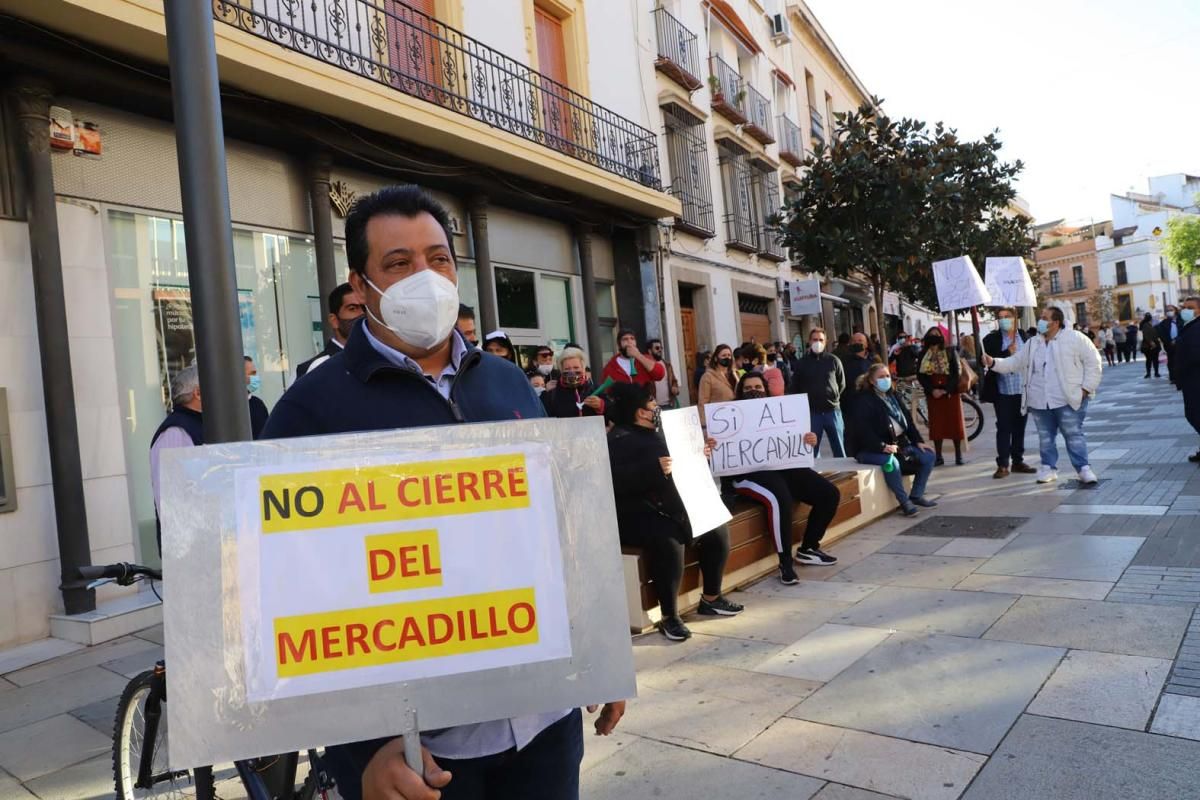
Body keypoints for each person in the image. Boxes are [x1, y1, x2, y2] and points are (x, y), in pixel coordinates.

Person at [261, 186, 622, 800]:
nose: (423, 277)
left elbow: (554, 530)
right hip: (418, 757)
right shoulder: (311, 409)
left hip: (544, 726)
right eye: (398, 264)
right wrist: (365, 751)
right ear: (360, 285)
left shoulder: (508, 382)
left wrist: (598, 650)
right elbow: (288, 596)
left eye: (438, 259)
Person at [606, 383, 743, 641]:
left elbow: (682, 463)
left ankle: (712, 598)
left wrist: (699, 453)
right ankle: (670, 617)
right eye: (652, 404)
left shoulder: (663, 431)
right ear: (640, 412)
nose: (657, 407)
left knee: (716, 528)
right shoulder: (619, 439)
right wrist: (653, 470)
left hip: (670, 506)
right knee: (669, 541)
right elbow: (616, 481)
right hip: (637, 513)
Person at [729, 373, 840, 583]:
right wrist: (712, 446)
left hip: (782, 466)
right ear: (740, 392)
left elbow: (797, 438)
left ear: (766, 389)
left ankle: (809, 547)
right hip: (748, 474)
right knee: (779, 497)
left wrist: (809, 439)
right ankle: (785, 563)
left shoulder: (779, 411)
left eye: (759, 387)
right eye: (748, 388)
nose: (754, 391)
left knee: (829, 493)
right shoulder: (730, 415)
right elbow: (720, 449)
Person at [983, 305, 1103, 485]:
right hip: (1040, 400)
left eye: (1045, 318)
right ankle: (1048, 468)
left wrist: (1086, 389)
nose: (1040, 321)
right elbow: (1015, 362)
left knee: (1073, 434)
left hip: (1067, 398)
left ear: (1056, 322)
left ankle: (1083, 468)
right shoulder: (1033, 343)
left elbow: (1094, 363)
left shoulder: (1076, 338)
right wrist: (993, 362)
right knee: (1045, 436)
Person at [851, 364, 937, 517]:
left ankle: (916, 495)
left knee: (929, 455)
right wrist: (882, 446)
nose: (886, 380)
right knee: (892, 464)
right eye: (881, 377)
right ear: (871, 381)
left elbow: (908, 421)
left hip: (899, 445)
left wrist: (917, 440)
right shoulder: (863, 400)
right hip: (870, 449)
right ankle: (904, 502)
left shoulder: (893, 396)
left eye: (887, 376)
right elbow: (862, 430)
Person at [149, 365, 203, 553]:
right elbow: (170, 497)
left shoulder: (199, 424)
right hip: (192, 548)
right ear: (197, 393)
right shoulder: (175, 432)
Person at [980, 308, 1037, 479]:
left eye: (1007, 317)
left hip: (1022, 390)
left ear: (1015, 318)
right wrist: (1007, 353)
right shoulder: (990, 340)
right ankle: (1003, 464)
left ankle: (1018, 461)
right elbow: (987, 362)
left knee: (1020, 427)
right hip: (1003, 391)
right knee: (1004, 427)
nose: (1004, 320)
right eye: (1000, 317)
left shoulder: (1026, 338)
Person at [789, 327, 847, 458]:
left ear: (826, 342)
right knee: (811, 451)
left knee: (839, 449)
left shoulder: (834, 360)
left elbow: (841, 384)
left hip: (833, 412)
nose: (818, 342)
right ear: (809, 341)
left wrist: (833, 397)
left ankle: (845, 476)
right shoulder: (801, 363)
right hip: (812, 413)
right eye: (815, 339)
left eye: (821, 339)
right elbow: (795, 387)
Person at [918, 328, 967, 466]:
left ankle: (958, 455)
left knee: (954, 423)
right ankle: (938, 456)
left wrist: (946, 389)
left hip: (950, 392)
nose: (934, 338)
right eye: (931, 335)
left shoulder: (950, 351)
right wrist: (932, 390)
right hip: (933, 393)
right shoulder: (923, 353)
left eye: (936, 335)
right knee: (936, 425)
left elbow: (956, 372)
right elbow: (920, 375)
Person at [296, 282, 367, 377]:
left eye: (365, 308)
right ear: (334, 321)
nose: (362, 314)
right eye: (352, 309)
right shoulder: (317, 367)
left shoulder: (380, 359)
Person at [541, 346, 605, 419]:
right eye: (567, 369)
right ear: (561, 371)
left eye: (576, 368)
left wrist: (601, 405)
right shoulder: (552, 394)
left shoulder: (596, 390)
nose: (572, 372)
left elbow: (613, 415)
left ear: (583, 369)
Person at [1175, 296, 1200, 462]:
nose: (1185, 310)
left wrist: (1180, 370)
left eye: (1190, 307)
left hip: (1195, 378)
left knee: (1194, 414)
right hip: (1191, 377)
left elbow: (1194, 354)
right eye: (1184, 307)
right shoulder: (1190, 326)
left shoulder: (1196, 328)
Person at [599, 329, 666, 390]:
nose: (629, 342)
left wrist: (638, 355)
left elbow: (659, 374)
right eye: (625, 339)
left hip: (644, 402)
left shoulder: (646, 358)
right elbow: (605, 391)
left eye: (632, 339)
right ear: (619, 345)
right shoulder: (610, 367)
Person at [697, 344, 737, 426]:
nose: (727, 358)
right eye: (724, 355)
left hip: (735, 417)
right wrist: (704, 424)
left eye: (729, 355)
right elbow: (703, 401)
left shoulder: (735, 374)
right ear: (716, 358)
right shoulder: (708, 377)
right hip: (718, 420)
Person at [646, 338, 680, 409]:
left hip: (669, 405)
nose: (660, 350)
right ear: (650, 351)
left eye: (661, 348)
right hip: (654, 407)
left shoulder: (667, 365)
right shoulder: (646, 367)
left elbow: (674, 381)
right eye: (657, 348)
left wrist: (675, 388)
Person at [244, 356, 269, 439]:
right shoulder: (224, 408)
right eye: (252, 374)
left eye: (255, 374)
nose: (255, 377)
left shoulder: (258, 404)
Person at [1157, 305, 1182, 384]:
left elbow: (1184, 331)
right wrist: (1169, 341)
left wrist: (1176, 340)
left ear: (1175, 310)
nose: (1169, 312)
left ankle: (1182, 376)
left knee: (1181, 361)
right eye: (1167, 310)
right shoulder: (1164, 323)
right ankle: (1173, 378)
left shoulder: (1181, 320)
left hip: (1181, 344)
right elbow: (1161, 334)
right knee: (1171, 362)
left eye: (1171, 310)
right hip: (1170, 345)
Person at [1140, 313, 1162, 378]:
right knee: (1150, 359)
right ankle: (1150, 373)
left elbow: (1157, 334)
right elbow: (1146, 335)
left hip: (1154, 343)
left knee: (1153, 359)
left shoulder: (1152, 325)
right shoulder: (1146, 325)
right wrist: (1151, 342)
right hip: (1148, 345)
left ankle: (1155, 373)